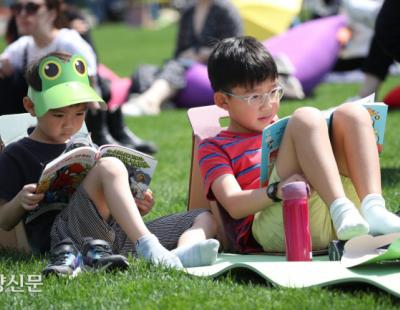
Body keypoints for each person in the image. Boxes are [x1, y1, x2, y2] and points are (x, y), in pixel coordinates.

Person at [0, 52, 219, 277]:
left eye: (80, 113)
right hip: (62, 242)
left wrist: (135, 206)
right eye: (58, 115)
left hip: (107, 239)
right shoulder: (17, 153)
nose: (70, 123)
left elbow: (100, 205)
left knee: (202, 217)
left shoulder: (84, 144)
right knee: (110, 166)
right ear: (31, 106)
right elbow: (4, 222)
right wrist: (20, 202)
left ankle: (178, 254)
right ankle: (150, 248)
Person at [198, 36, 400, 254]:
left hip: (343, 220)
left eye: (274, 91)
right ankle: (341, 209)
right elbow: (234, 205)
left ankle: (373, 208)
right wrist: (277, 191)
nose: (269, 105)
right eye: (255, 97)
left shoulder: (281, 130)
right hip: (280, 225)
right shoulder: (213, 147)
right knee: (305, 117)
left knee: (352, 112)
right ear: (222, 101)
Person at [0, 0, 157, 154]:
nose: (22, 14)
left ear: (52, 12)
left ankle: (99, 132)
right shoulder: (23, 46)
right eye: (16, 8)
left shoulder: (68, 40)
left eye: (31, 7)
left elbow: (91, 81)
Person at [122, 0, 243, 116]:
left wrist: (202, 53)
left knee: (178, 65)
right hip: (185, 64)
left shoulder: (225, 9)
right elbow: (179, 51)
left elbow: (234, 50)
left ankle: (150, 102)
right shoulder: (189, 10)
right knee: (143, 71)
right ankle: (162, 101)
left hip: (213, 69)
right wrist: (187, 55)